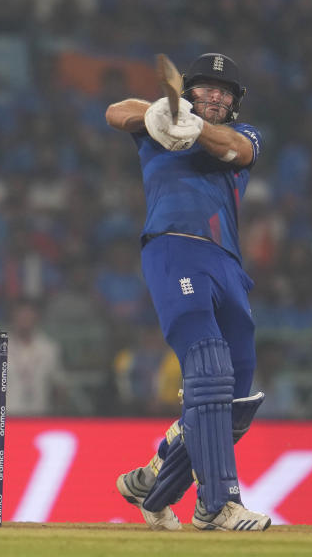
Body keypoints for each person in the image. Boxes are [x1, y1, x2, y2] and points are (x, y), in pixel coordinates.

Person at [105, 53, 270, 531]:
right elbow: (116, 111)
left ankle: (153, 487)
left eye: (225, 91)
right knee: (208, 364)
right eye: (205, 88)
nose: (215, 96)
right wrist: (159, 114)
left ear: (235, 102)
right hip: (174, 248)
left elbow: (236, 149)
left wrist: (193, 128)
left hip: (228, 265)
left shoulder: (245, 135)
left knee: (234, 401)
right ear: (190, 91)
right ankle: (218, 504)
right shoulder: (160, 122)